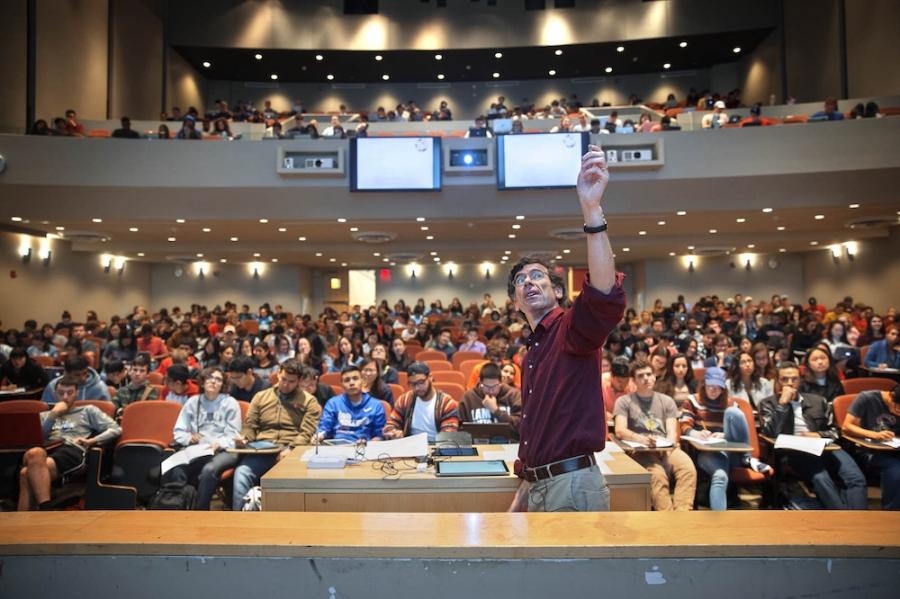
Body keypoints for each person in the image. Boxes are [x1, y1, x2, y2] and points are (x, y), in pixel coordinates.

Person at [507, 142, 626, 513]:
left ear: (557, 291)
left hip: (573, 487)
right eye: (520, 280)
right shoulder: (533, 352)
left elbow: (604, 294)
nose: (529, 282)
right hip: (541, 486)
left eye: (538, 276)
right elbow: (539, 438)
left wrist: (592, 210)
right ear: (515, 303)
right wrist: (521, 496)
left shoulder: (571, 331)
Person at [758, 361, 867, 509]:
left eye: (794, 379)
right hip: (796, 452)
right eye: (785, 379)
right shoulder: (768, 403)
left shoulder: (818, 401)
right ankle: (843, 518)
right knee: (821, 478)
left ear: (800, 380)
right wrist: (782, 404)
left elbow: (835, 431)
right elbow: (769, 433)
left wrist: (818, 434)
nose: (790, 383)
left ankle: (859, 519)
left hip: (826, 448)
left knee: (855, 477)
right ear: (777, 381)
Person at [18, 375, 121, 511]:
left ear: (77, 393)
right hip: (47, 448)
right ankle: (46, 508)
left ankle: (23, 521)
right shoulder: (45, 415)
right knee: (34, 454)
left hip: (71, 450)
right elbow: (37, 438)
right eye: (61, 393)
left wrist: (91, 441)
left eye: (70, 393)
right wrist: (53, 415)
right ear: (55, 394)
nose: (65, 397)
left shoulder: (88, 410)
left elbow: (116, 429)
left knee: (26, 473)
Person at [231, 359, 322, 511]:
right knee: (242, 473)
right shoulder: (261, 397)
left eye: (291, 381)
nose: (286, 384)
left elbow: (306, 432)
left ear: (299, 381)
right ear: (278, 374)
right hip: (263, 448)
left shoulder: (309, 401)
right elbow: (250, 424)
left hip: (291, 450)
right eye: (283, 379)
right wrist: (245, 437)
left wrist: (291, 449)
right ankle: (240, 518)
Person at [680, 368, 771, 511]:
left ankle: (747, 459)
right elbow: (685, 425)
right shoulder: (692, 401)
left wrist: (723, 435)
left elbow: (735, 431)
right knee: (720, 477)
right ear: (704, 384)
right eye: (710, 386)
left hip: (730, 451)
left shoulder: (729, 403)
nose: (714, 391)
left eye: (718, 387)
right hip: (707, 453)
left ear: (723, 388)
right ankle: (720, 522)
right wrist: (696, 433)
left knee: (733, 412)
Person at [615, 360, 697, 511]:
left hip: (665, 447)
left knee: (688, 469)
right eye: (641, 376)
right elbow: (620, 430)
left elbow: (672, 430)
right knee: (658, 476)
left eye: (649, 374)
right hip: (641, 451)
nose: (646, 378)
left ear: (654, 376)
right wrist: (641, 439)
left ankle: (683, 516)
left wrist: (668, 448)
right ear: (633, 380)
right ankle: (667, 520)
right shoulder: (624, 401)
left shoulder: (667, 401)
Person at [842, 385, 900, 510]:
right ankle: (892, 512)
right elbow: (846, 426)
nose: (898, 413)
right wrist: (874, 434)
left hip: (893, 448)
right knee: (895, 468)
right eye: (898, 409)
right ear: (891, 396)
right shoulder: (867, 398)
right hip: (867, 449)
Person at [383, 362, 459, 442]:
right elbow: (391, 423)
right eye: (412, 384)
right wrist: (393, 432)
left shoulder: (446, 403)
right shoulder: (405, 400)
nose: (417, 388)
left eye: (421, 382)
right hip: (410, 447)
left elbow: (449, 435)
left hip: (437, 448)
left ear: (430, 377)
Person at [316, 365, 386, 443]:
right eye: (347, 380)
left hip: (365, 449)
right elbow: (324, 427)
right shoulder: (333, 404)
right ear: (341, 384)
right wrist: (319, 436)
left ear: (363, 381)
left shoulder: (376, 405)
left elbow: (379, 435)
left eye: (355, 379)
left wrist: (370, 444)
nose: (351, 383)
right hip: (337, 448)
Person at [459, 363, 522, 436]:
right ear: (480, 382)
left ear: (501, 382)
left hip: (510, 444)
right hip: (478, 444)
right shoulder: (468, 397)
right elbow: (461, 429)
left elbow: (521, 427)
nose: (491, 391)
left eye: (495, 386)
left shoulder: (514, 395)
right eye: (487, 387)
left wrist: (496, 411)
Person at [41, 355, 111, 404]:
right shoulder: (53, 386)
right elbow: (45, 412)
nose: (83, 378)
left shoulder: (100, 388)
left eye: (85, 373)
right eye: (77, 375)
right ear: (66, 373)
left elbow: (106, 416)